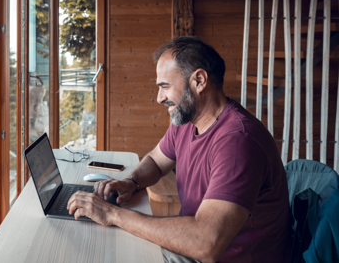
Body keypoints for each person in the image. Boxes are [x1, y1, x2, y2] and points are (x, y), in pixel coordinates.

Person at [66, 37, 290, 263]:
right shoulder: (187, 121)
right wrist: (131, 182)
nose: (159, 98)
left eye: (165, 86)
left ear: (199, 80)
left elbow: (206, 243)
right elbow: (155, 160)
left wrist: (112, 213)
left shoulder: (238, 141)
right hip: (194, 247)